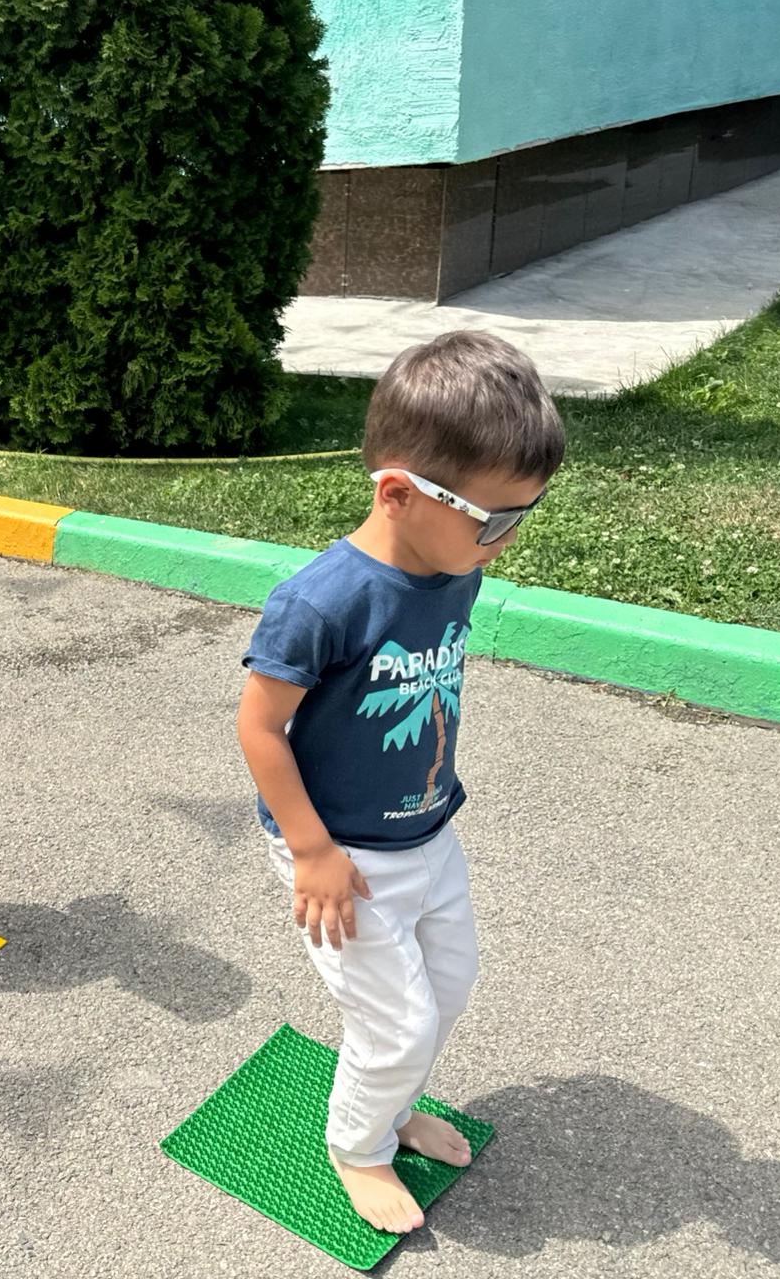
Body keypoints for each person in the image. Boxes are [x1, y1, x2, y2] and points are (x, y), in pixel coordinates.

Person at [239, 332, 565, 1241]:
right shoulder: (322, 601)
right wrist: (311, 851)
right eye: (492, 520)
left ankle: (393, 1107)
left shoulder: (453, 565)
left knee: (447, 988)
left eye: (524, 515)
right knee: (398, 1024)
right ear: (398, 493)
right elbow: (259, 728)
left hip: (426, 830)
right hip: (339, 851)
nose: (505, 540)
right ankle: (358, 1147)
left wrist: (476, 535)